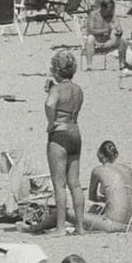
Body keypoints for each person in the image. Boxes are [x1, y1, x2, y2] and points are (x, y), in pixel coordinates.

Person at [44, 49, 85, 236]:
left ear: (56, 70)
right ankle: (80, 226)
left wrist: (51, 122)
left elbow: (50, 104)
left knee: (59, 184)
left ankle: (61, 228)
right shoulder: (78, 90)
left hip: (59, 133)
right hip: (75, 131)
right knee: (75, 184)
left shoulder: (56, 89)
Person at [85, 141, 132, 234]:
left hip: (112, 223)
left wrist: (105, 199)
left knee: (69, 214)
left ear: (99, 154)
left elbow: (92, 197)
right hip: (130, 221)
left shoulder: (97, 170)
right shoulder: (127, 169)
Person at [83, 0, 122, 69]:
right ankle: (89, 65)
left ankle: (122, 64)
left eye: (112, 9)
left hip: (109, 41)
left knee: (121, 37)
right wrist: (105, 30)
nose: (111, 11)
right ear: (103, 8)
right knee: (90, 38)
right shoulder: (93, 15)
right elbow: (90, 30)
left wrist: (119, 30)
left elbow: (118, 27)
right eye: (109, 10)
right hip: (96, 40)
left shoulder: (112, 16)